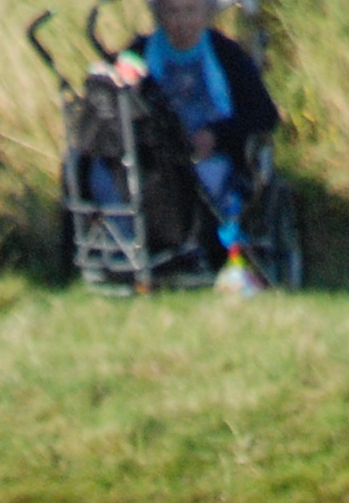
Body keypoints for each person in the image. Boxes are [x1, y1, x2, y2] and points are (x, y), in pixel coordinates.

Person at [106, 0, 281, 295]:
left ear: (207, 13)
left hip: (213, 157)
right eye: (172, 11)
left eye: (190, 11)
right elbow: (112, 98)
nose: (181, 21)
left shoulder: (227, 54)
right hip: (156, 158)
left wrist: (217, 136)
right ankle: (125, 257)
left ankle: (222, 257)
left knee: (214, 177)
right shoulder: (138, 53)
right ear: (159, 13)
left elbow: (264, 113)